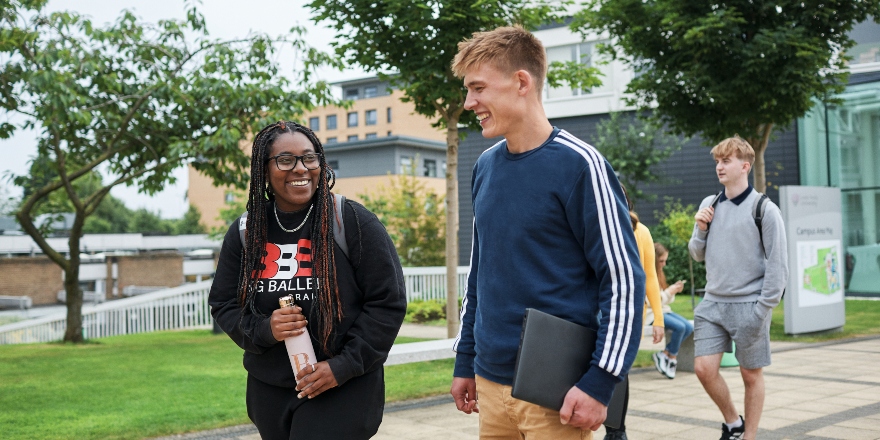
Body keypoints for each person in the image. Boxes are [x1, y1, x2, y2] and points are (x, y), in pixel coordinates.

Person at [449, 25, 646, 439]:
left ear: (521, 81)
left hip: (554, 390)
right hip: (488, 383)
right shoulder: (484, 166)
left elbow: (624, 280)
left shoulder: (581, 165)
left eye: (478, 88)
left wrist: (600, 381)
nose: (469, 103)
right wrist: (465, 359)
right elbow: (480, 272)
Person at [208, 121, 407, 440]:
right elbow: (224, 305)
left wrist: (342, 367)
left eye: (309, 158)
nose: (300, 168)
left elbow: (387, 302)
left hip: (343, 387)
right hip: (270, 390)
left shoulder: (351, 220)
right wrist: (265, 329)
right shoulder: (247, 231)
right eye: (285, 160)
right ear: (264, 169)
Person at [688, 136, 788, 440]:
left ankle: (750, 436)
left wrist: (761, 311)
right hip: (712, 304)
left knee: (750, 375)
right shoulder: (710, 204)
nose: (719, 166)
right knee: (704, 369)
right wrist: (701, 229)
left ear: (745, 166)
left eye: (726, 160)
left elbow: (778, 265)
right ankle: (733, 423)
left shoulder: (765, 210)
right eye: (717, 161)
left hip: (749, 305)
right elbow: (696, 252)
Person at [603, 187, 665, 440]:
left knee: (616, 370)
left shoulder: (640, 232)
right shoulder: (596, 224)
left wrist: (658, 319)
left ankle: (616, 431)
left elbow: (650, 276)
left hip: (625, 313)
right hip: (599, 310)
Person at [651, 242, 694, 380]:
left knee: (688, 327)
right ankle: (672, 359)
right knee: (680, 327)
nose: (664, 264)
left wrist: (672, 291)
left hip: (663, 310)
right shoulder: (647, 274)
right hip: (651, 313)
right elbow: (651, 301)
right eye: (661, 261)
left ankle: (664, 354)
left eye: (665, 260)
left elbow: (664, 299)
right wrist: (669, 292)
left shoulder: (659, 273)